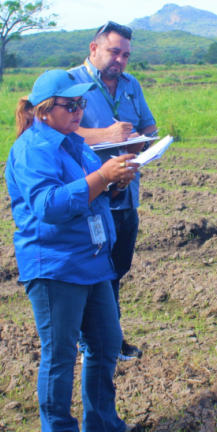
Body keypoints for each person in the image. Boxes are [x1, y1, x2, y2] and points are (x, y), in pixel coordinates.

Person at [6, 69, 141, 432]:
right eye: (71, 104)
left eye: (82, 103)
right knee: (60, 354)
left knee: (105, 344)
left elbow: (89, 189)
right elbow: (48, 206)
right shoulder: (34, 148)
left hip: (92, 260)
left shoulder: (74, 142)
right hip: (55, 265)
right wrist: (102, 176)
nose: (80, 110)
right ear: (45, 110)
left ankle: (102, 425)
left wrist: (114, 183)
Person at [69, 21, 158, 361]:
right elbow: (56, 131)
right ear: (93, 49)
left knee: (116, 270)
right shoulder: (71, 83)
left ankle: (106, 338)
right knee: (91, 271)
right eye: (113, 52)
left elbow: (147, 124)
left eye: (126, 55)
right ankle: (95, 341)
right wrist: (106, 135)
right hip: (91, 198)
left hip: (126, 194)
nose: (120, 60)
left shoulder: (131, 85)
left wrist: (144, 141)